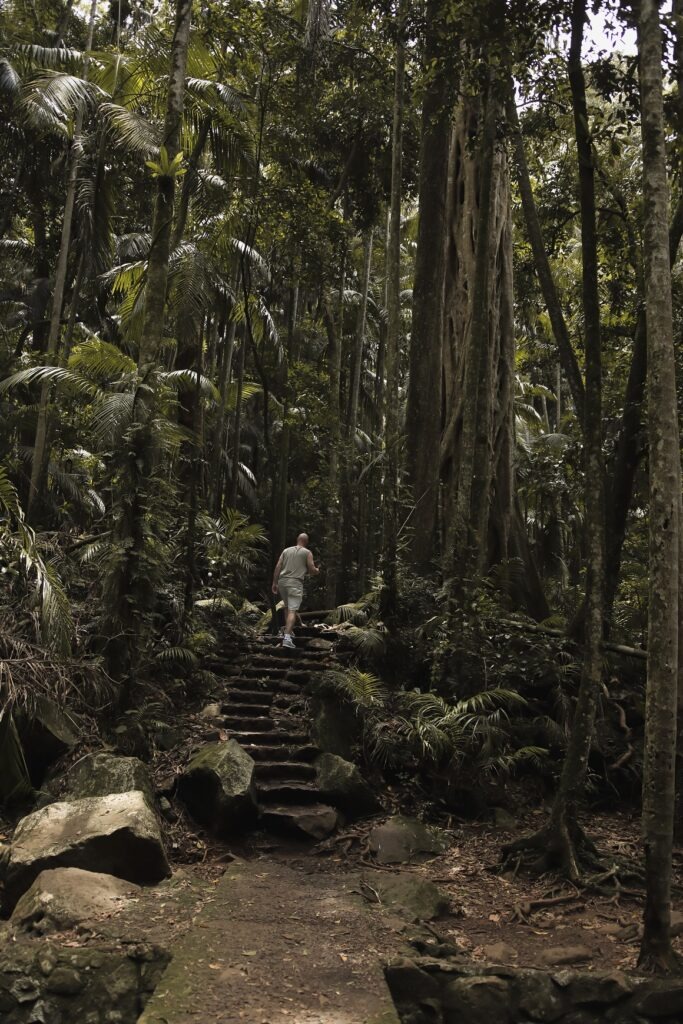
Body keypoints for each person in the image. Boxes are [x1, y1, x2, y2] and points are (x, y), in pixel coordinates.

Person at [271, 533, 319, 648]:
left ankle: (289, 631)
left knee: (287, 607)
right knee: (292, 610)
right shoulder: (307, 552)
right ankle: (287, 638)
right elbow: (312, 570)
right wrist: (317, 570)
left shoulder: (286, 551)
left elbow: (278, 566)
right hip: (295, 583)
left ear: (297, 540)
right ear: (306, 542)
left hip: (282, 582)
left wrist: (274, 582)